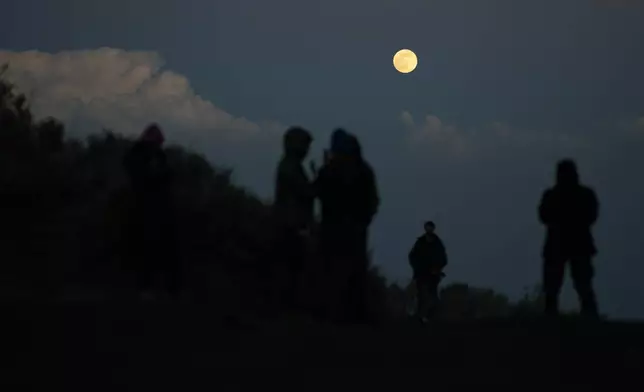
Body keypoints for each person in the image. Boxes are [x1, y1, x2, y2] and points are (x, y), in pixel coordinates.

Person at [315, 129, 380, 323]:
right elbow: (373, 201)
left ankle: (340, 316)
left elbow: (319, 192)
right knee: (351, 274)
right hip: (350, 231)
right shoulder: (363, 170)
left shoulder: (332, 170)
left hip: (338, 231)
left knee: (338, 274)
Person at [123, 123, 179, 300]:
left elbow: (166, 178)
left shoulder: (159, 156)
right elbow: (138, 175)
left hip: (157, 208)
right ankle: (144, 285)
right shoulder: (138, 154)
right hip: (141, 206)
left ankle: (159, 286)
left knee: (157, 248)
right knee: (143, 248)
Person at [538, 159, 599, 318]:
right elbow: (592, 215)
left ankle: (554, 316)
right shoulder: (584, 194)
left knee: (573, 284)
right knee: (577, 284)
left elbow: (544, 215)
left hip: (562, 245)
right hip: (575, 245)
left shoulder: (553, 195)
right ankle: (588, 316)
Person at [272, 126, 315, 311]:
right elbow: (305, 192)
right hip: (290, 225)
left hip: (291, 224)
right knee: (291, 269)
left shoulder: (290, 166)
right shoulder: (290, 167)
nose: (306, 150)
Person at [408, 221, 448, 323]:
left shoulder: (438, 243)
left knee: (432, 295)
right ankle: (421, 317)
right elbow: (412, 256)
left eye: (430, 227)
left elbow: (444, 259)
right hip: (421, 273)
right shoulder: (420, 242)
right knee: (421, 295)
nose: (429, 229)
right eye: (427, 227)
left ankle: (430, 317)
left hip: (433, 274)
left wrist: (437, 268)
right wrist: (417, 267)